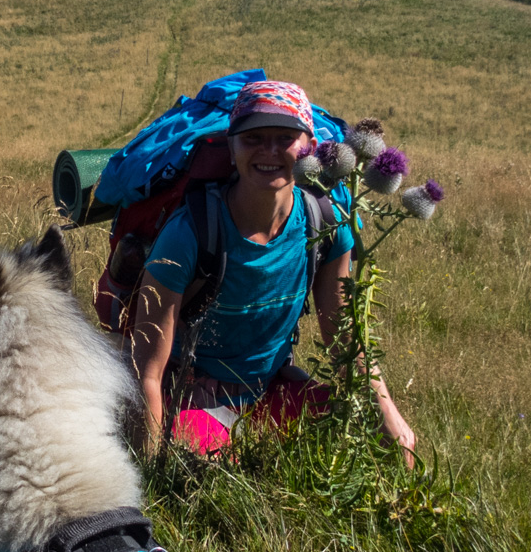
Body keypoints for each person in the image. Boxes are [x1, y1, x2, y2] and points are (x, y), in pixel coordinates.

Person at [128, 79, 416, 459]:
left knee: (360, 441)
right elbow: (146, 372)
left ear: (309, 148)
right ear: (231, 149)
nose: (270, 151)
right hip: (192, 398)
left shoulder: (325, 222)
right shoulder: (190, 234)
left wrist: (391, 420)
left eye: (285, 137)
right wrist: (149, 475)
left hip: (271, 390)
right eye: (253, 138)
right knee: (205, 474)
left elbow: (344, 339)